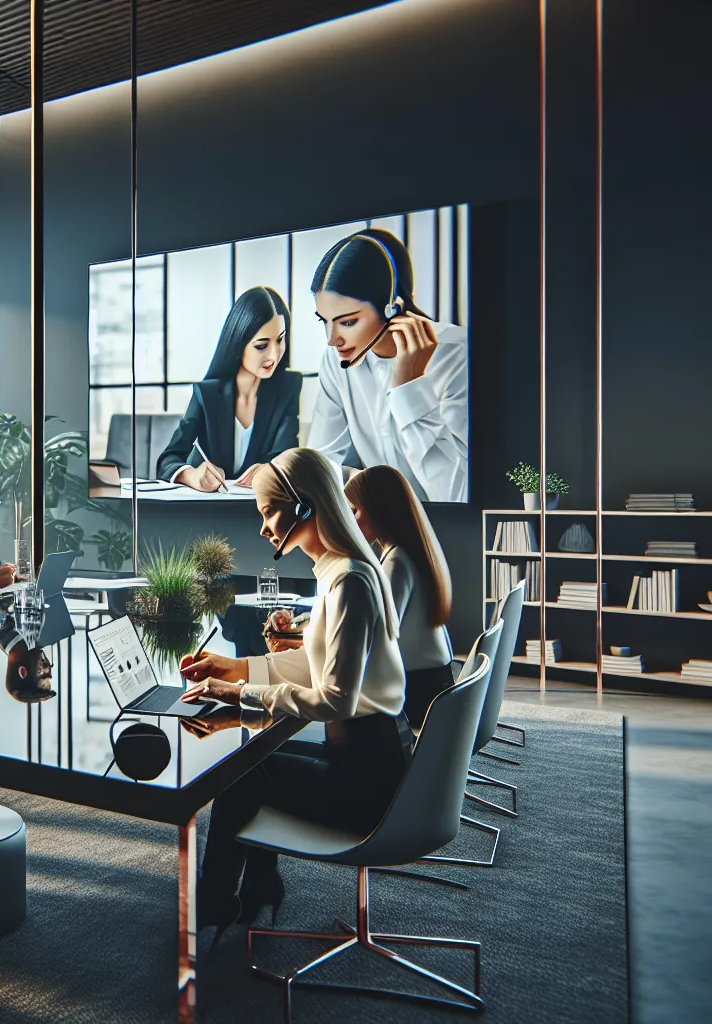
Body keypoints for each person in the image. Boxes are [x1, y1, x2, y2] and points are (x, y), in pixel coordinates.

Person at [178, 447, 408, 934]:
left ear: (303, 504)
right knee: (250, 770)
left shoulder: (350, 582)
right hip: (366, 756)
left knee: (237, 780)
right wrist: (239, 668)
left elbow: (333, 699)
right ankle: (257, 885)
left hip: (370, 782)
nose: (263, 528)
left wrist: (242, 695)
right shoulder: (341, 571)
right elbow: (315, 661)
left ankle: (215, 903)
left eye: (268, 513)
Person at [303, 228, 469, 502]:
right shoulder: (337, 362)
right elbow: (319, 470)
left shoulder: (457, 354)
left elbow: (456, 496)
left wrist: (409, 386)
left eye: (347, 322)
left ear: (392, 306)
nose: (332, 340)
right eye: (325, 321)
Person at [155, 285, 303, 491]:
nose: (274, 354)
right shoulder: (206, 394)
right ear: (238, 342)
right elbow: (167, 460)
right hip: (211, 509)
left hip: (262, 507)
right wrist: (191, 475)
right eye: (261, 345)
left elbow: (286, 455)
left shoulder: (288, 387)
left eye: (280, 340)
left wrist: (269, 470)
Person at [346, 464, 454, 730]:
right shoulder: (410, 552)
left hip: (418, 695)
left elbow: (376, 637)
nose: (350, 521)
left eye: (355, 511)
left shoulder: (397, 561)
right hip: (435, 685)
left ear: (379, 510)